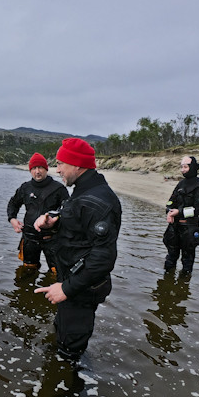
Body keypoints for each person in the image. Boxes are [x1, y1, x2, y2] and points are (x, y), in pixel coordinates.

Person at [33, 138, 121, 361]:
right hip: (71, 284)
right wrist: (54, 223)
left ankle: (69, 391)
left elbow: (103, 258)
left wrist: (66, 289)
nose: (57, 168)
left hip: (80, 289)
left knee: (69, 352)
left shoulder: (97, 201)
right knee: (62, 337)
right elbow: (78, 231)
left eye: (62, 163)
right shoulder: (83, 191)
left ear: (78, 165)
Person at [7, 152, 69, 272]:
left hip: (51, 237)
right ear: (30, 170)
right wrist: (12, 219)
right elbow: (13, 203)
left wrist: (55, 219)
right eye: (34, 168)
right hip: (29, 236)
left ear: (46, 169)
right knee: (27, 271)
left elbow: (68, 210)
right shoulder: (25, 188)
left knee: (57, 272)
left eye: (40, 167)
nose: (37, 171)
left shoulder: (58, 188)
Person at [163, 156, 199, 273]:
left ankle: (184, 283)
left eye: (185, 167)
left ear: (192, 168)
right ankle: (167, 283)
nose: (183, 170)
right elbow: (170, 201)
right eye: (181, 167)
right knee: (170, 258)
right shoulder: (180, 184)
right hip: (174, 228)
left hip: (189, 228)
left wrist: (179, 212)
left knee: (187, 261)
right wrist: (169, 212)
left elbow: (196, 210)